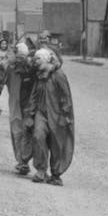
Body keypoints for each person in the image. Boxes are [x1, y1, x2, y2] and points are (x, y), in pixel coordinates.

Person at [27, 48, 75, 186]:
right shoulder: (39, 75)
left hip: (56, 115)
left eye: (38, 58)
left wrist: (65, 115)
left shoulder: (58, 75)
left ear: (45, 59)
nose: (35, 61)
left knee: (57, 144)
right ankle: (41, 170)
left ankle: (56, 174)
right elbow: (34, 95)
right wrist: (30, 114)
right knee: (38, 136)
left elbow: (66, 96)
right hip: (41, 113)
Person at [7, 41, 36, 177]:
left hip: (28, 107)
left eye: (22, 57)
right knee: (17, 133)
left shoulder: (32, 70)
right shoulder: (10, 68)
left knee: (27, 134)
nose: (20, 60)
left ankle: (25, 160)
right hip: (15, 106)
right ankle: (22, 161)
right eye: (18, 57)